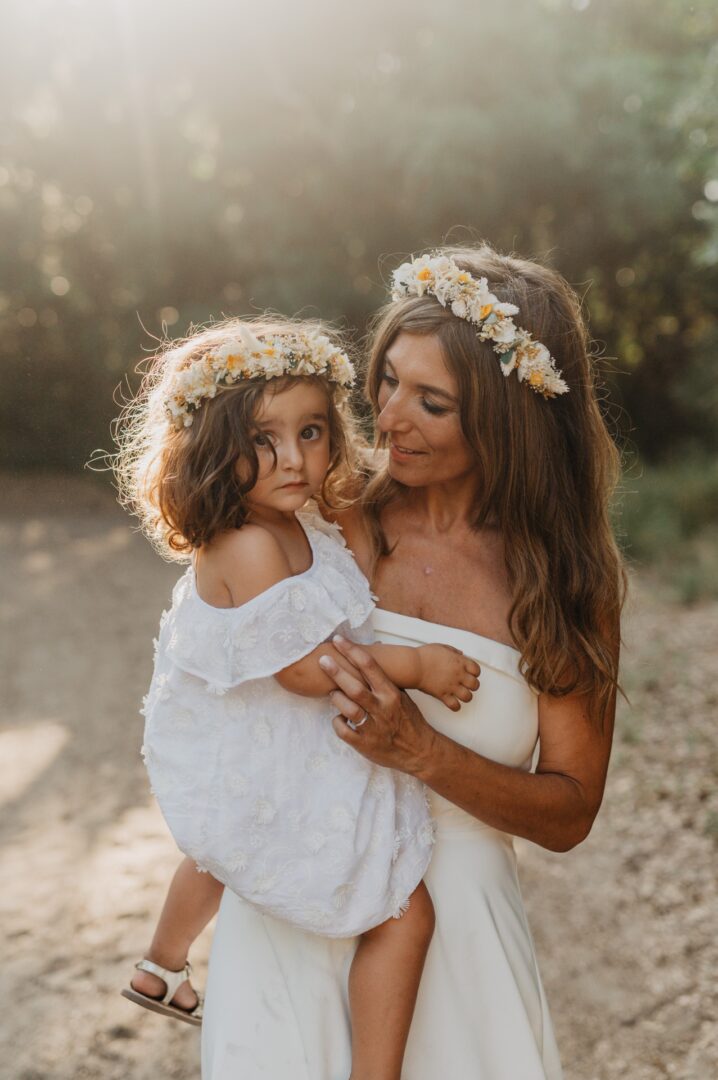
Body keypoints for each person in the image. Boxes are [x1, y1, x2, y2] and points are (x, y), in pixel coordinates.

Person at [201, 245, 625, 1079]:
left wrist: (421, 752)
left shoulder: (565, 578)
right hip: (302, 909)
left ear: (509, 419)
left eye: (432, 402)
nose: (389, 418)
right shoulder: (321, 517)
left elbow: (570, 811)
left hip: (461, 935)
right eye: (388, 378)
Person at [113, 316, 480, 1080]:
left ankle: (163, 966)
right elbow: (308, 670)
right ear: (213, 448)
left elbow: (362, 551)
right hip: (267, 751)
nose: (294, 459)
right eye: (263, 440)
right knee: (397, 908)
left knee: (225, 853)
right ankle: (168, 966)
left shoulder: (297, 518)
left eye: (313, 431)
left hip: (288, 752)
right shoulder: (246, 542)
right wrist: (418, 664)